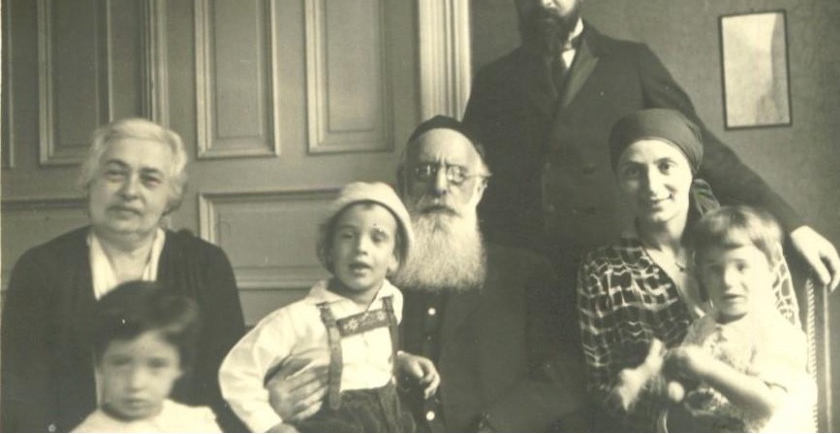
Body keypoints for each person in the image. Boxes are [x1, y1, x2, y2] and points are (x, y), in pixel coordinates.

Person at [462, 0, 840, 293]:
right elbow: (466, 181)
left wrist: (793, 225)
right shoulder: (493, 81)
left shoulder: (632, 63)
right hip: (526, 284)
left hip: (618, 278)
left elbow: (707, 154)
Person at [263, 117, 586, 432]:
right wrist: (273, 400)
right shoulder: (365, 276)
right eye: (424, 171)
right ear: (404, 185)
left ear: (480, 189)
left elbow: (562, 376)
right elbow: (308, 358)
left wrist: (495, 427)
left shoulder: (525, 273)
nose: (439, 187)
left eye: (457, 174)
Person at [1, 118, 246, 432]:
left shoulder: (206, 265)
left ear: (170, 196)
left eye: (150, 179)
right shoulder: (42, 268)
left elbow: (225, 383)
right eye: (115, 174)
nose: (130, 191)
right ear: (90, 182)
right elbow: (21, 398)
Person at [577, 109, 801, 432]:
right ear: (618, 180)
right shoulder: (602, 271)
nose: (652, 186)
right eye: (633, 171)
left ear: (690, 171)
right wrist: (670, 412)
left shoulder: (747, 244)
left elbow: (786, 357)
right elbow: (603, 388)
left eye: (666, 166)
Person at [219, 182, 440, 433]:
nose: (361, 248)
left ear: (394, 258)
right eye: (348, 236)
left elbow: (366, 356)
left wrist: (399, 360)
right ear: (329, 249)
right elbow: (235, 372)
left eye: (377, 238)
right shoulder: (300, 318)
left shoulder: (392, 301)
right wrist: (269, 425)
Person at [658, 206, 815, 433]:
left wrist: (707, 369)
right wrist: (682, 397)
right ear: (700, 274)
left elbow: (769, 404)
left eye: (742, 267)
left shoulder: (778, 331)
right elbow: (687, 380)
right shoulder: (702, 328)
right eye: (714, 269)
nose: (728, 281)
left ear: (771, 270)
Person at [73, 281, 221, 432]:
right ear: (99, 363)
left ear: (180, 365)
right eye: (121, 363)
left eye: (156, 365)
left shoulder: (195, 425)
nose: (135, 383)